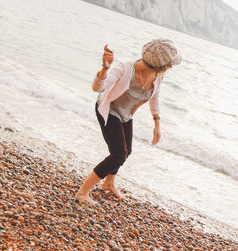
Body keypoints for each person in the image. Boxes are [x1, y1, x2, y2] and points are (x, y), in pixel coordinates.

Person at [75, 39, 182, 204]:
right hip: (108, 110)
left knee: (127, 151)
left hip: (126, 114)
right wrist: (105, 69)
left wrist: (157, 123)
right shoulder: (124, 68)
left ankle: (108, 183)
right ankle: (83, 192)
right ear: (161, 65)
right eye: (169, 65)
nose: (170, 68)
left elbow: (155, 97)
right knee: (118, 154)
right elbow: (98, 88)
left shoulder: (159, 76)